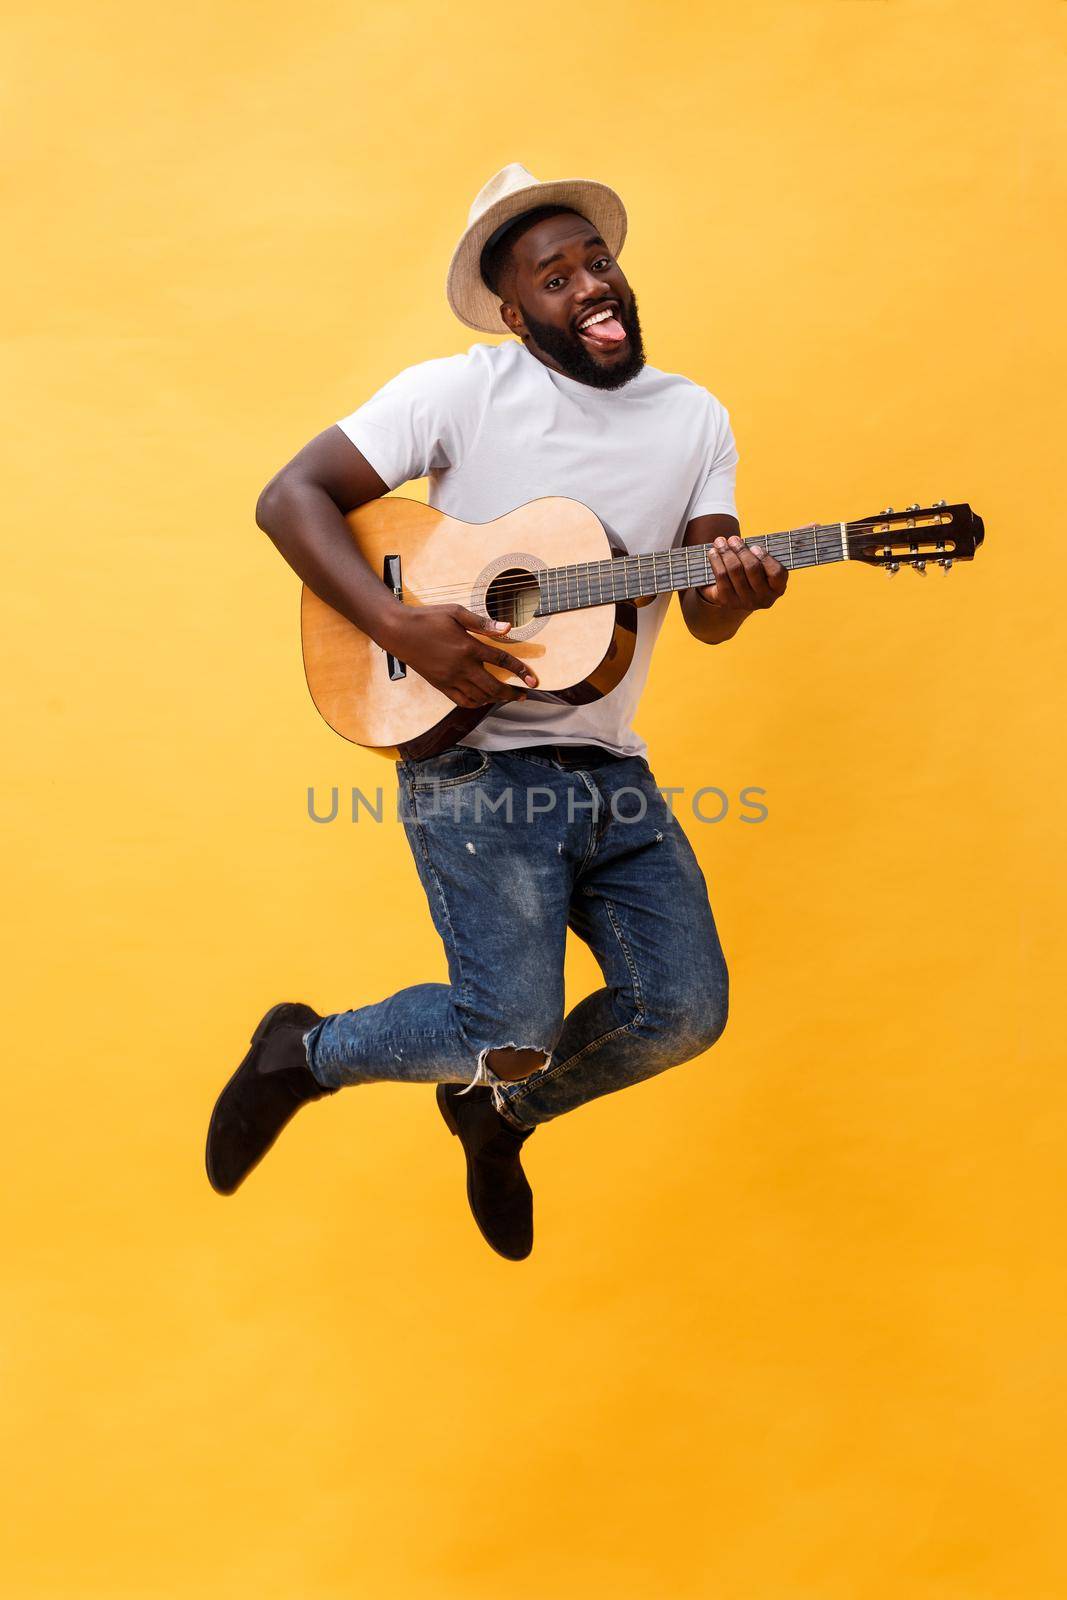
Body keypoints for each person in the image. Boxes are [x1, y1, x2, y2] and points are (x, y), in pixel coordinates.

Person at [205, 163, 788, 1259]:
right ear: (518, 313)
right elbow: (288, 497)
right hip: (474, 766)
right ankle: (302, 1050)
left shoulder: (695, 419)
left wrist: (738, 593)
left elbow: (705, 612)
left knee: (681, 1014)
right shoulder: (459, 394)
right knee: (504, 1027)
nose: (590, 286)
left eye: (597, 261)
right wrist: (394, 623)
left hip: (611, 768)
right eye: (555, 277)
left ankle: (496, 1112)